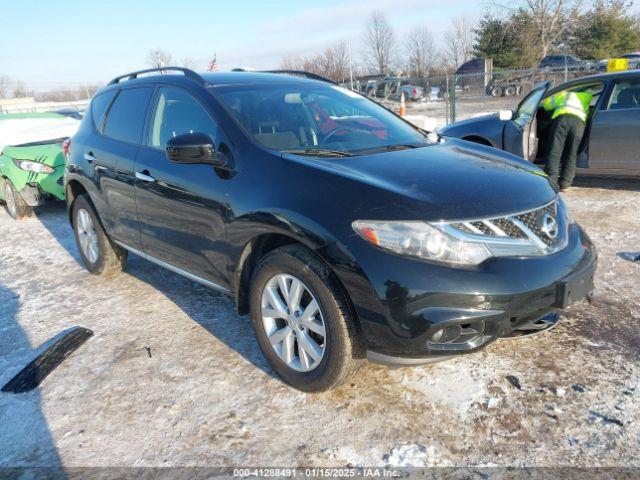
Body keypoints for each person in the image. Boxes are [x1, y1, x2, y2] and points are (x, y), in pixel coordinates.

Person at [541, 90, 592, 191]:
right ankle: (565, 183)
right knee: (571, 154)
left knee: (554, 152)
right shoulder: (587, 96)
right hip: (578, 124)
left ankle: (551, 181)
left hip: (562, 121)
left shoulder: (564, 93)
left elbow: (546, 105)